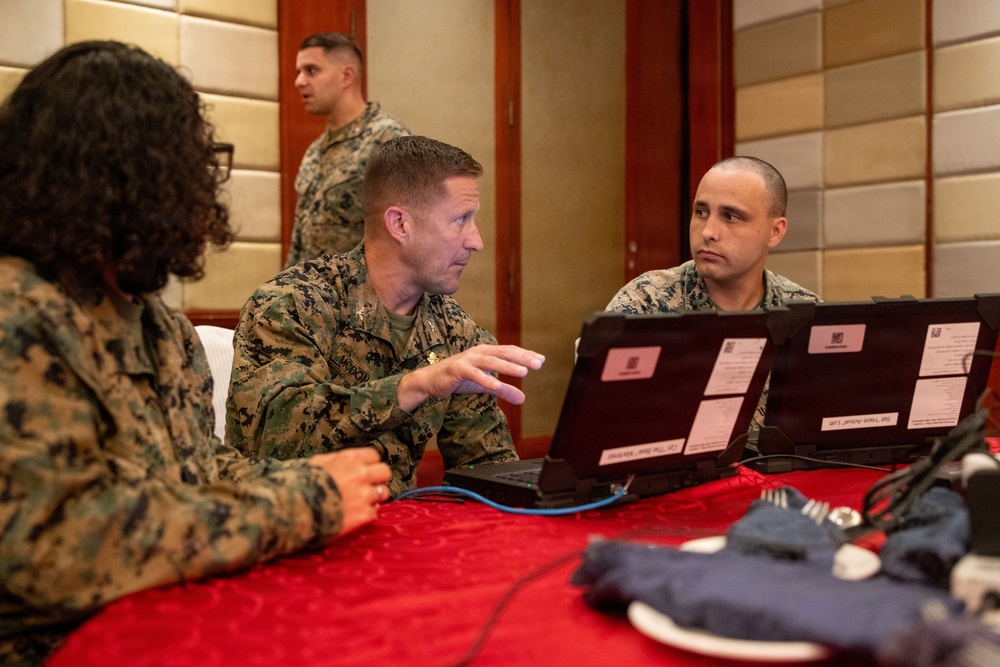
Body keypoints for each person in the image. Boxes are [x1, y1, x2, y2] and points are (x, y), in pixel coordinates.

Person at [0, 41, 390, 666]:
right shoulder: (17, 314)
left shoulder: (158, 325)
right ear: (131, 177)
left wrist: (316, 478)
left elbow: (196, 463)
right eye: (192, 164)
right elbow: (61, 547)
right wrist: (305, 503)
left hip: (173, 624)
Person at [227, 136, 545, 496]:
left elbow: (488, 471)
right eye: (461, 220)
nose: (476, 241)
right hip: (282, 533)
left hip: (390, 535)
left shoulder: (455, 331)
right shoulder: (291, 305)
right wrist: (418, 384)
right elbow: (280, 444)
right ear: (400, 225)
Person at [606, 156, 820, 437]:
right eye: (701, 212)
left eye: (731, 217)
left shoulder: (804, 314)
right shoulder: (646, 302)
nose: (708, 232)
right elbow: (605, 425)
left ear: (775, 231)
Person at [286, 32, 410, 267]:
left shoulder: (386, 138)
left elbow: (406, 233)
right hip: (312, 297)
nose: (299, 81)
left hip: (363, 298)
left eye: (311, 71)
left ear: (347, 76)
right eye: (299, 72)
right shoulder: (314, 151)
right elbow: (299, 241)